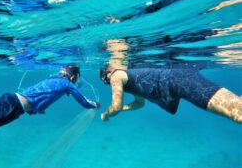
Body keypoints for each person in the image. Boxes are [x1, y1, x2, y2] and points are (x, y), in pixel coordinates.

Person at [0, 64, 100, 147]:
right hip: (12, 106)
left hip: (12, 104)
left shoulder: (54, 79)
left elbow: (40, 95)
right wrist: (95, 104)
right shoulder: (67, 83)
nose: (75, 82)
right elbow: (84, 102)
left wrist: (36, 108)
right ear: (73, 76)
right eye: (76, 79)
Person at [99, 39, 242, 124]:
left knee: (237, 112)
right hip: (177, 79)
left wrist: (106, 115)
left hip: (177, 79)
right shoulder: (127, 77)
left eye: (105, 78)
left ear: (107, 71)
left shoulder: (116, 76)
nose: (107, 81)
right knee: (237, 109)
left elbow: (115, 107)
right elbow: (139, 103)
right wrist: (123, 108)